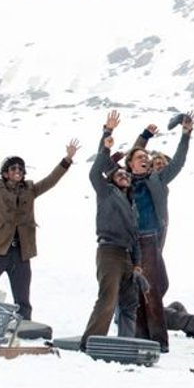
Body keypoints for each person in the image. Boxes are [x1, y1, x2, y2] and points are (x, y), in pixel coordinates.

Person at [0, 125, 78, 321]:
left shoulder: (30, 190)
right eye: (13, 168)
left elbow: (51, 180)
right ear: (5, 173)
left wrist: (67, 160)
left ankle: (23, 329)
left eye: (21, 168)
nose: (18, 171)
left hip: (22, 253)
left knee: (22, 299)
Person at [119, 113, 194, 352]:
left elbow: (179, 162)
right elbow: (132, 154)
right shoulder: (125, 179)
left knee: (152, 289)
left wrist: (185, 134)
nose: (145, 159)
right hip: (130, 242)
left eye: (147, 158)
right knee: (137, 289)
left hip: (150, 239)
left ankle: (159, 341)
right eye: (140, 157)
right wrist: (144, 137)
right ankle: (141, 335)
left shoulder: (157, 179)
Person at [81, 111, 142, 344]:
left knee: (129, 302)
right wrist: (107, 136)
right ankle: (91, 341)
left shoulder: (131, 203)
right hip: (109, 252)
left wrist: (137, 264)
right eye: (119, 173)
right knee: (107, 299)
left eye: (126, 174)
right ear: (112, 179)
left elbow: (135, 236)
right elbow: (96, 170)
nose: (124, 175)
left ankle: (125, 342)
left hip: (127, 254)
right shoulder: (106, 193)